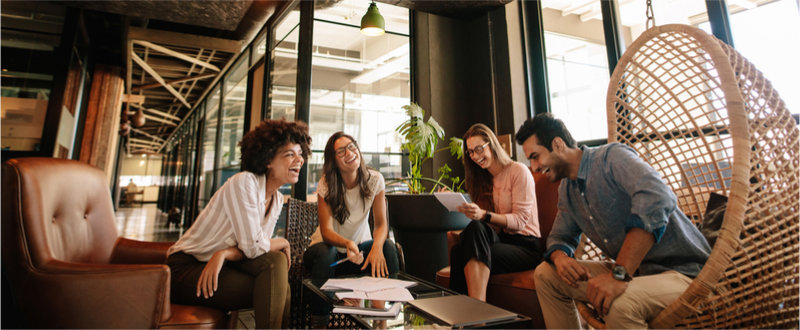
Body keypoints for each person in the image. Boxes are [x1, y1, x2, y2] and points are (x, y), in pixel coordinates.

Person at [515, 113, 711, 329]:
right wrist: (560, 258)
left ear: (557, 144)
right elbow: (560, 236)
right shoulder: (567, 189)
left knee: (619, 303)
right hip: (637, 274)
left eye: (535, 156)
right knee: (545, 275)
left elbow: (658, 196)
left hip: (685, 274)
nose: (533, 167)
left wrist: (618, 275)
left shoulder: (611, 158)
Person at [165, 119, 311, 329]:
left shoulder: (277, 199)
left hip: (222, 263)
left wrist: (223, 254)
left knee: (276, 267)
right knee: (275, 287)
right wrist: (282, 241)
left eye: (301, 154)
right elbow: (255, 247)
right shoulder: (244, 182)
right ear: (268, 159)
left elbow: (257, 250)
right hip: (185, 269)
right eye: (290, 154)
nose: (300, 160)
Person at [302, 132, 400, 327]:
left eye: (352, 146)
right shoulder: (327, 184)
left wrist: (377, 247)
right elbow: (326, 232)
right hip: (326, 259)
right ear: (333, 161)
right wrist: (347, 243)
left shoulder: (375, 180)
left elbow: (381, 224)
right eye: (341, 151)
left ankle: (382, 318)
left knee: (388, 247)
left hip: (355, 256)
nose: (350, 152)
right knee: (326, 252)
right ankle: (319, 322)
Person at [448, 123, 542, 301]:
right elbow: (487, 225)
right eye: (471, 152)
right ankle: (460, 317)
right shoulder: (483, 179)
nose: (476, 156)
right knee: (463, 244)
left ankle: (477, 313)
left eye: (479, 149)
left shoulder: (518, 171)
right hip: (502, 240)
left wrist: (483, 214)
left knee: (465, 248)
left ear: (491, 145)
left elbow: (520, 221)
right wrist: (461, 205)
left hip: (526, 246)